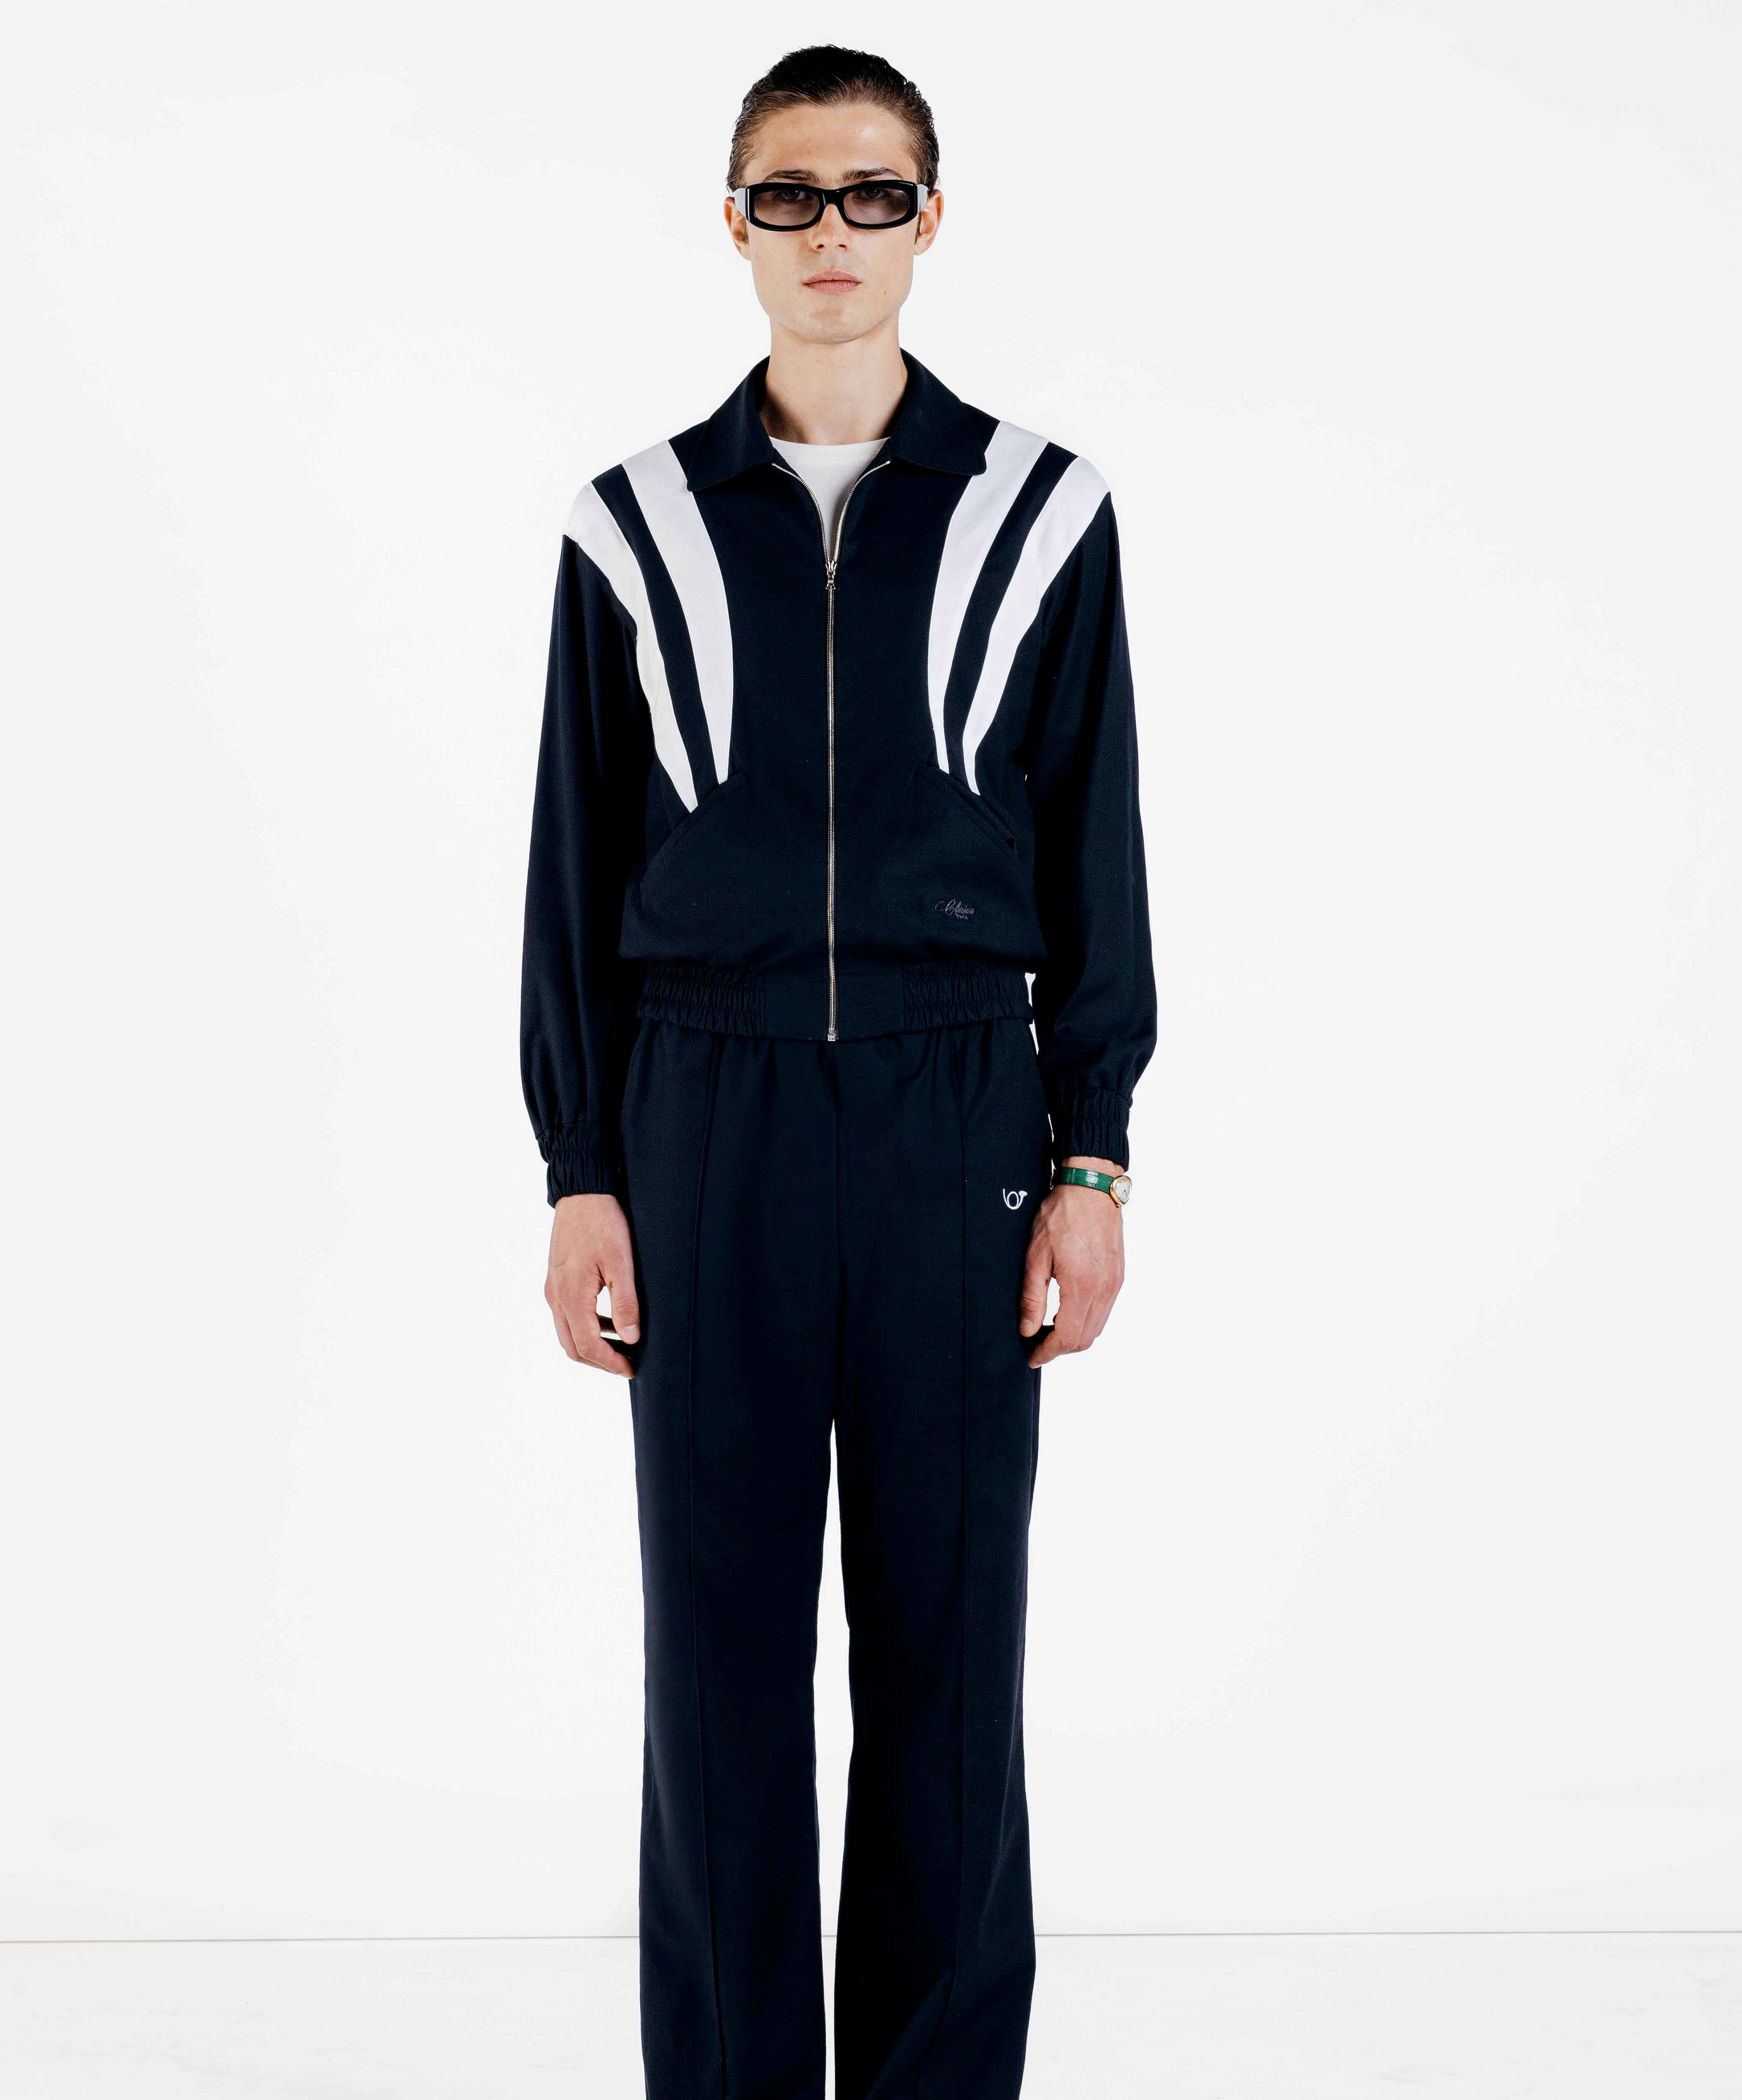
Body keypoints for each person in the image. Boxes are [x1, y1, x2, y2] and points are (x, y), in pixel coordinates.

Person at [518, 44, 1155, 2099]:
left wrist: (1091, 1155)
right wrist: (581, 1163)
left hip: (959, 1112)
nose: (831, 234)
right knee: (716, 1660)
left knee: (949, 1651)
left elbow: (1098, 853)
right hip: (699, 1117)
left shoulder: (1044, 512)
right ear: (736, 222)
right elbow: (572, 865)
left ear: (927, 220)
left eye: (872, 194)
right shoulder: (631, 527)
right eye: (789, 196)